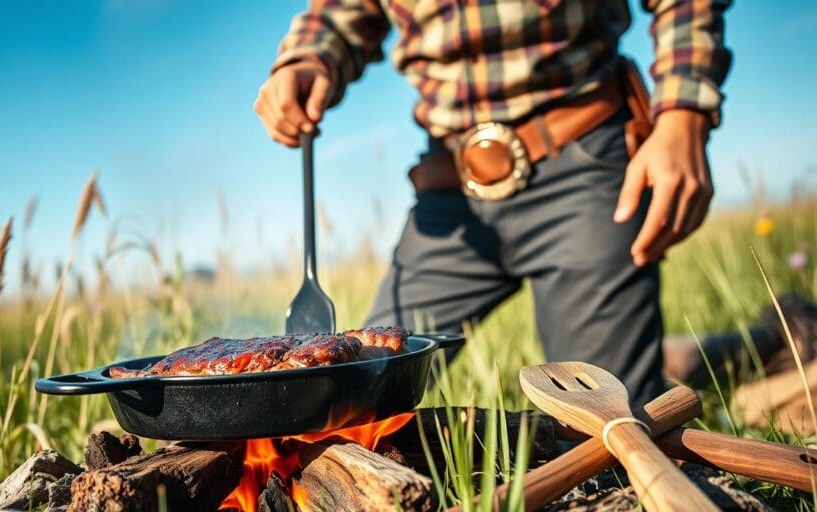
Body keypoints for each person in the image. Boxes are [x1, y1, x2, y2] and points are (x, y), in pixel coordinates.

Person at [255, 0, 731, 405]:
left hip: (584, 164)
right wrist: (308, 58)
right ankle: (697, 354)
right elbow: (340, 13)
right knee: (356, 395)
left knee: (605, 419)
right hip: (449, 197)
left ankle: (759, 345)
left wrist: (684, 111)